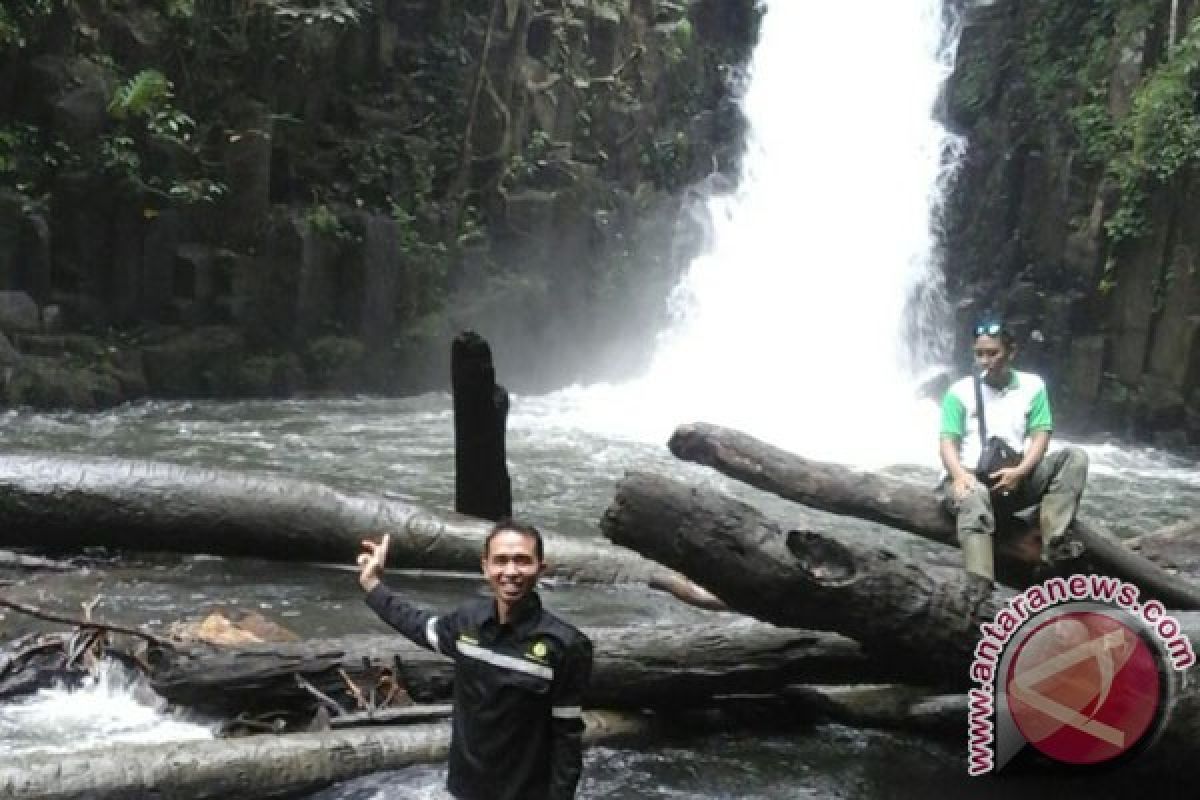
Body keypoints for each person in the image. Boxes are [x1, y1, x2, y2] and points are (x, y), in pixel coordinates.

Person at [357, 520, 593, 800]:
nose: (511, 571)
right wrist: (372, 584)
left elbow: (567, 738)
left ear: (541, 569)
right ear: (485, 567)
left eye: (522, 561)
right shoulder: (468, 622)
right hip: (463, 790)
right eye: (501, 561)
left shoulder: (566, 645)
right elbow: (417, 625)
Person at [937, 318, 1089, 585]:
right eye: (979, 354)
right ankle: (980, 586)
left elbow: (1041, 433)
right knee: (975, 494)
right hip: (968, 477)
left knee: (1074, 458)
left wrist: (1020, 471)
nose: (985, 360)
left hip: (1013, 479)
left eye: (992, 353)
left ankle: (1053, 548)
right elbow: (947, 441)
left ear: (1011, 352)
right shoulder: (959, 392)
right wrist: (959, 475)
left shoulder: (1033, 386)